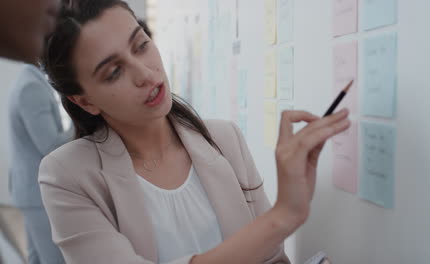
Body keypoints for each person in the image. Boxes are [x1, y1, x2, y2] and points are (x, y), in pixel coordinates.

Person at [39, 0, 350, 263]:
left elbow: (271, 257)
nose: (146, 74)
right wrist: (283, 215)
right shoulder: (65, 175)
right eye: (114, 71)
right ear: (85, 101)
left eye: (141, 44)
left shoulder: (225, 139)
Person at [8, 63, 73, 264]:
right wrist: (77, 119)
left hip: (29, 191)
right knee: (53, 259)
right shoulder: (31, 87)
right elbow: (51, 146)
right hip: (37, 194)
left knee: (36, 257)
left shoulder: (28, 79)